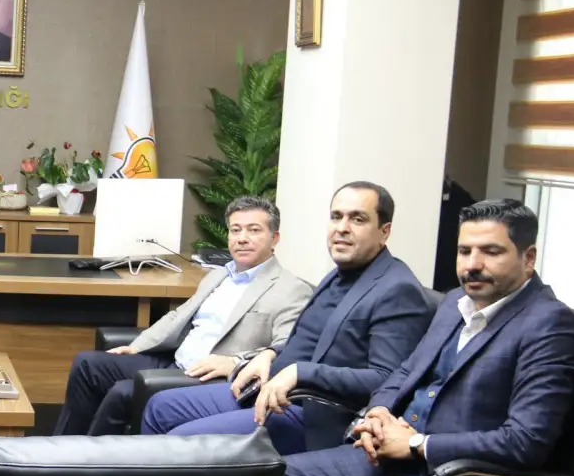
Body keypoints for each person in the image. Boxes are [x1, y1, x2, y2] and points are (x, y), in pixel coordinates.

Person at [284, 199, 574, 476]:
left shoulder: (549, 326)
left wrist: (416, 444)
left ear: (528, 257)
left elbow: (525, 442)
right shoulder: (456, 302)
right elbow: (405, 371)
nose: (472, 264)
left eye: (491, 252)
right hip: (391, 462)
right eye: (464, 251)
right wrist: (377, 412)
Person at [141, 181, 434, 455]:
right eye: (336, 217)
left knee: (178, 441)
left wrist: (301, 372)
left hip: (312, 415)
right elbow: (314, 341)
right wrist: (271, 352)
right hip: (267, 391)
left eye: (357, 219)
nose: (342, 228)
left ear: (384, 231)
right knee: (159, 407)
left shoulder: (397, 289)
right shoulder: (339, 276)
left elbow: (387, 379)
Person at [54, 196, 311, 436]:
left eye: (254, 230)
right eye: (235, 230)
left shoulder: (290, 289)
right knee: (88, 364)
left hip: (208, 377)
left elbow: (287, 348)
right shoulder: (219, 274)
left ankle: (88, 461)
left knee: (122, 393)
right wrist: (137, 346)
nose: (242, 238)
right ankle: (61, 446)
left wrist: (235, 362)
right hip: (175, 361)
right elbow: (179, 315)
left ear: (275, 238)